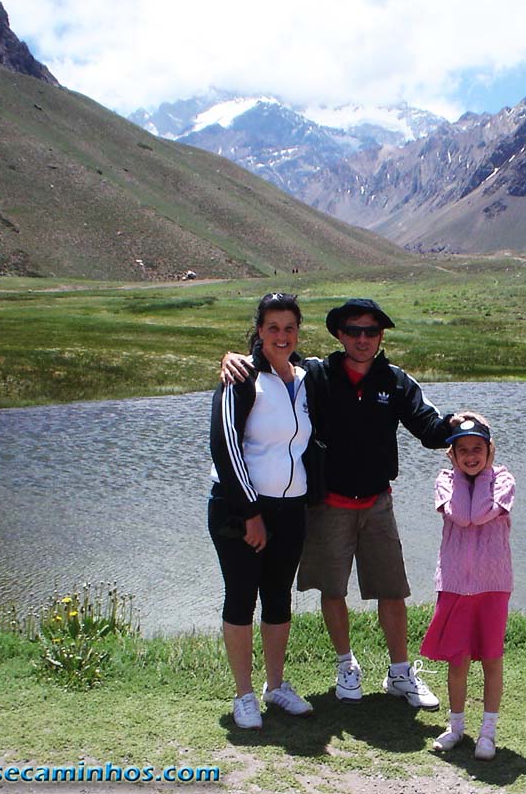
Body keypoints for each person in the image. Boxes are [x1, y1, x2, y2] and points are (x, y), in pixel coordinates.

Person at [222, 297, 452, 709]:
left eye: (371, 331)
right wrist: (234, 357)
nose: (362, 339)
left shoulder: (395, 380)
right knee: (332, 589)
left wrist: (461, 428)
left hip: (378, 502)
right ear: (338, 335)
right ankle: (346, 665)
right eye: (353, 331)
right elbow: (273, 360)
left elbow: (430, 427)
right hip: (327, 504)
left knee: (392, 590)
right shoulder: (316, 374)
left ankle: (400, 672)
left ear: (381, 336)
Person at [208, 292, 316, 730]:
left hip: (290, 509)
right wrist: (250, 510)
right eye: (272, 328)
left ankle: (276, 686)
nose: (281, 336)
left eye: (289, 328)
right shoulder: (241, 377)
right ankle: (243, 695)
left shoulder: (307, 377)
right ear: (258, 331)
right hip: (240, 509)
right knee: (241, 597)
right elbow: (225, 444)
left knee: (277, 598)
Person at [421, 412, 515, 761]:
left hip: (493, 585)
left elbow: (480, 514)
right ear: (452, 454)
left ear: (490, 450)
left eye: (478, 448)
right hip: (455, 585)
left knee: (491, 658)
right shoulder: (446, 480)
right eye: (462, 450)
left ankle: (487, 733)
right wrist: (460, 475)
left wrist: (485, 471)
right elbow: (462, 515)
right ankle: (456, 727)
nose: (471, 456)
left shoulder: (503, 479)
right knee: (457, 660)